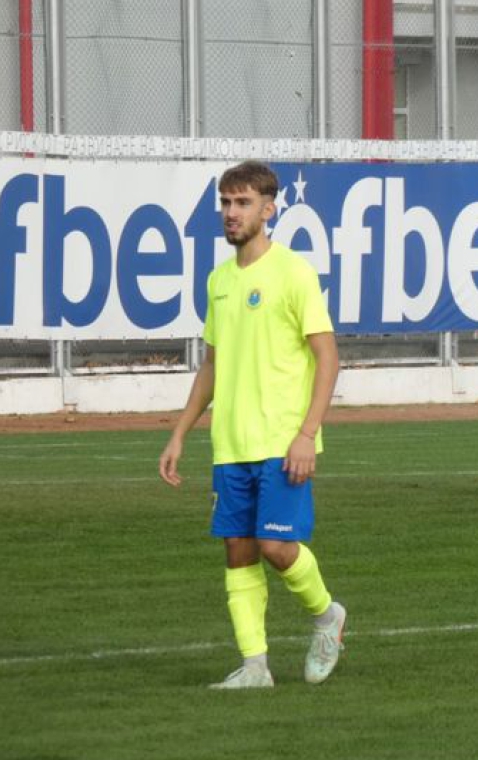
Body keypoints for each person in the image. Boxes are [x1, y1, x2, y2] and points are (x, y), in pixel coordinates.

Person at [158, 161, 345, 689]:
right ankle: (255, 666)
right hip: (231, 443)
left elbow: (328, 358)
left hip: (283, 440)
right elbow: (213, 366)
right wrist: (179, 433)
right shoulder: (219, 280)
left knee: (276, 547)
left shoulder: (293, 273)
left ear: (269, 209)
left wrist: (307, 433)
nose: (231, 212)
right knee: (238, 551)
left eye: (242, 203)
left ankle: (327, 616)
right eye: (225, 202)